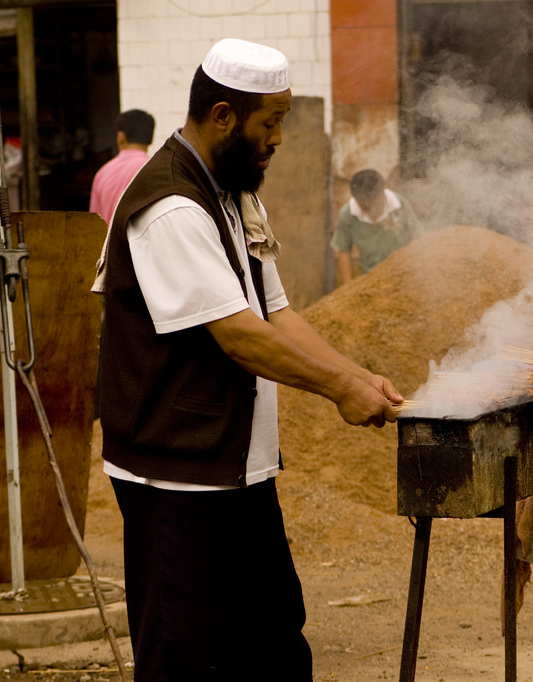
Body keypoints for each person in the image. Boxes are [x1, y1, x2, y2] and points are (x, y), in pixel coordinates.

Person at [91, 39, 402, 680]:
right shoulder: (171, 207)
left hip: (239, 471)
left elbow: (277, 313)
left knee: (274, 645)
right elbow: (238, 335)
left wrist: (357, 374)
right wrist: (339, 389)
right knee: (188, 657)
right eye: (272, 122)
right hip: (176, 475)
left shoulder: (232, 193)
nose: (279, 139)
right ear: (225, 116)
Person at [330, 168, 422, 284]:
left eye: (375, 204)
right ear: (356, 199)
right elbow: (343, 250)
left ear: (383, 191)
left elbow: (418, 237)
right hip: (371, 280)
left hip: (403, 276)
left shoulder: (399, 204)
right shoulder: (347, 214)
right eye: (365, 206)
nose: (372, 209)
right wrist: (347, 286)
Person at [88, 109, 156, 224]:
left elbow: (94, 223)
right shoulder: (154, 170)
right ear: (150, 139)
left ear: (121, 137)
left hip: (108, 241)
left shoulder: (102, 173)